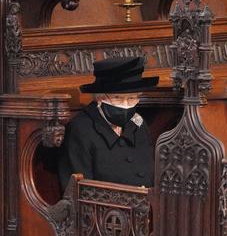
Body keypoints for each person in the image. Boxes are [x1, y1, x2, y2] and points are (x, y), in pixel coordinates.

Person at [58, 56, 159, 189]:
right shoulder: (81, 129)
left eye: (132, 98)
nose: (126, 105)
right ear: (100, 97)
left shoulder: (138, 123)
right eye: (117, 98)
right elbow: (78, 191)